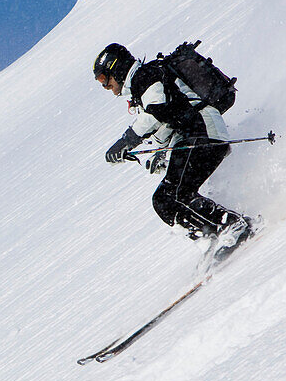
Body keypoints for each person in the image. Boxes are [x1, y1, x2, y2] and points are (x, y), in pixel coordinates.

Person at [93, 42, 254, 251]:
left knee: (171, 195)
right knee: (164, 200)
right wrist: (159, 154)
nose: (107, 87)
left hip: (203, 132)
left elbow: (156, 112)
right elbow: (165, 119)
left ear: (118, 69)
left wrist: (126, 141)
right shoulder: (142, 86)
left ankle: (234, 226)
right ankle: (212, 238)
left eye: (104, 79)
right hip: (193, 136)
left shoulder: (144, 76)